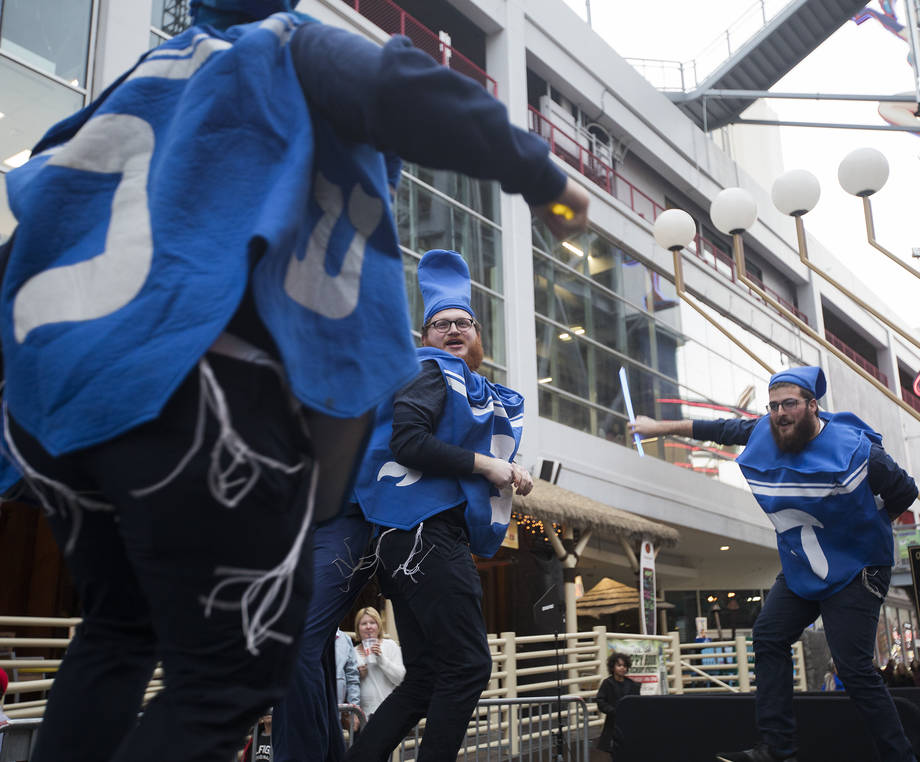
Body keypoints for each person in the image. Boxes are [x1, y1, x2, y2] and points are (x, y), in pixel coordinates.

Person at [0, 1, 588, 759]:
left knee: (121, 628)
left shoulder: (146, 76)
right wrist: (544, 180)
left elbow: (36, 215)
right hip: (189, 381)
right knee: (235, 672)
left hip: (66, 400)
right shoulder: (283, 46)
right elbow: (405, 86)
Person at [631, 367, 918, 762]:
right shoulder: (764, 431)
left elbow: (905, 491)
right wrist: (658, 427)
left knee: (853, 669)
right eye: (773, 406)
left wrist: (863, 527)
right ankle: (778, 748)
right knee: (768, 637)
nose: (780, 413)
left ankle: (899, 757)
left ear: (812, 406)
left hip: (856, 568)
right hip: (804, 567)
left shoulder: (858, 450)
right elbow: (718, 428)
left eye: (790, 404)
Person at [346, 249, 534, 762]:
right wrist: (487, 465)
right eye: (439, 323)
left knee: (428, 675)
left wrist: (504, 467)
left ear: (477, 337)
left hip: (410, 539)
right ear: (425, 338)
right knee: (469, 666)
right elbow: (407, 441)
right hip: (424, 533)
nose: (452, 329)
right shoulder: (429, 372)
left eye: (463, 323)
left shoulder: (466, 387)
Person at [352, 607, 405, 719]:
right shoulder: (352, 652)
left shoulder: (390, 646)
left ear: (379, 626)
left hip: (389, 711)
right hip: (363, 716)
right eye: (364, 623)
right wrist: (357, 675)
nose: (368, 627)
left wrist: (381, 660)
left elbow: (401, 679)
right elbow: (348, 685)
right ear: (358, 628)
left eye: (372, 622)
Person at [595, 652, 640, 754]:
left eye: (624, 666)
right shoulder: (607, 683)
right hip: (612, 724)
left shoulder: (632, 684)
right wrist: (612, 711)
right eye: (619, 665)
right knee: (614, 752)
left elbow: (637, 702)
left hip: (629, 724)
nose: (622, 668)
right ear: (612, 667)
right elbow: (600, 701)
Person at [334, 630, 362, 732]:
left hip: (335, 714)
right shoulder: (307, 631)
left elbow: (352, 677)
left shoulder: (345, 639)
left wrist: (354, 712)